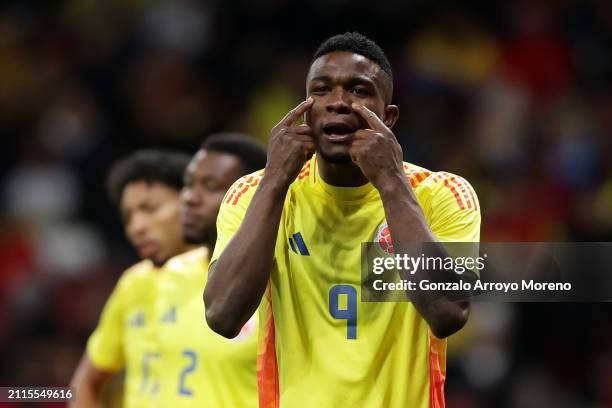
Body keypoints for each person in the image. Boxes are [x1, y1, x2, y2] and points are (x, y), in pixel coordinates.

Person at [204, 32, 481, 407]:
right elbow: (222, 315)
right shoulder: (256, 192)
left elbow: (448, 310)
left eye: (359, 90)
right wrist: (274, 181)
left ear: (389, 117)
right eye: (321, 90)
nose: (338, 102)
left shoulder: (442, 193)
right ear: (303, 109)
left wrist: (390, 181)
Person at [70, 150, 194, 408]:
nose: (137, 227)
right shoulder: (134, 283)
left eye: (150, 209)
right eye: (128, 217)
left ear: (191, 201)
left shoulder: (236, 275)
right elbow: (86, 382)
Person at [154, 133, 267, 407]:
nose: (190, 198)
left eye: (211, 186)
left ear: (250, 196)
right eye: (188, 184)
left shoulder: (278, 279)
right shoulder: (170, 274)